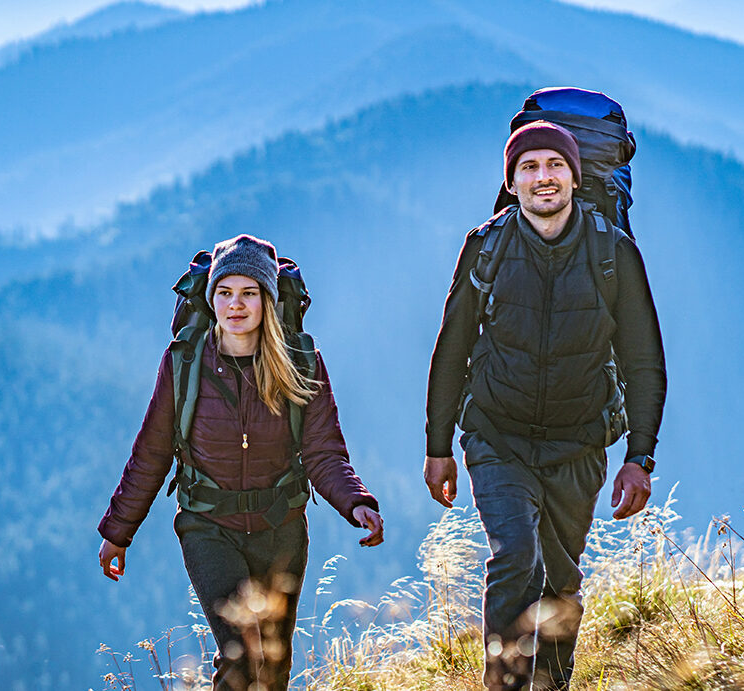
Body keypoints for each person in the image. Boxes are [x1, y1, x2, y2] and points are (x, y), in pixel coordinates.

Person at [424, 121, 666, 690]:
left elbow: (644, 361)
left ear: (575, 177)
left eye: (554, 165)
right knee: (515, 558)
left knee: (561, 582)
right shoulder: (486, 246)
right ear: (511, 183)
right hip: (496, 437)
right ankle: (504, 685)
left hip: (578, 444)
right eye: (528, 168)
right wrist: (438, 447)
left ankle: (553, 685)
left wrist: (641, 457)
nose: (543, 178)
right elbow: (452, 345)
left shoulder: (614, 253)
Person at [97, 234, 384, 691]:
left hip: (281, 527)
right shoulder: (185, 363)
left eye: (249, 293)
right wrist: (118, 530)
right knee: (241, 651)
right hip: (208, 526)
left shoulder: (300, 363)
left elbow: (323, 450)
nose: (236, 305)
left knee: (271, 665)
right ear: (211, 299)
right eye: (225, 292)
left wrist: (355, 503)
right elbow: (151, 452)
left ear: (268, 299)